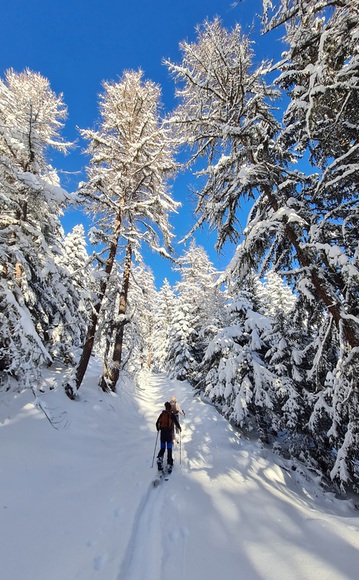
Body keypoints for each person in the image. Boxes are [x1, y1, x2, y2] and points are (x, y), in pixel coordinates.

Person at [156, 402, 181, 472]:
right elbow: (176, 423)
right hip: (169, 434)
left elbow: (157, 423)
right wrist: (180, 428)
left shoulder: (162, 414)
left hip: (162, 434)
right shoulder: (171, 414)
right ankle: (169, 464)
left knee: (162, 448)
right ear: (170, 408)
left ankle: (160, 459)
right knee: (169, 449)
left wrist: (158, 429)